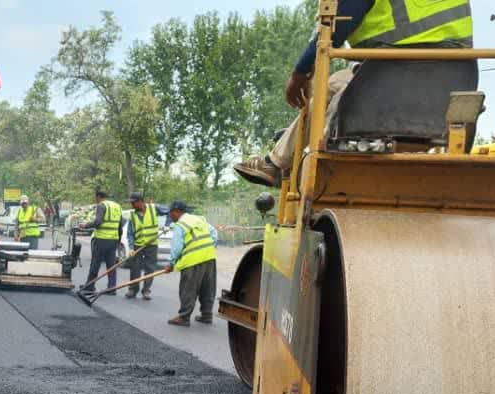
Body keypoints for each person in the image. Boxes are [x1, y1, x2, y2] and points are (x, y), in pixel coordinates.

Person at [233, 0, 473, 187]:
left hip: (395, 76)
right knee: (335, 83)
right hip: (454, 80)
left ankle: (304, 163)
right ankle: (276, 162)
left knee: (340, 99)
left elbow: (338, 24)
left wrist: (300, 73)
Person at [165, 201, 217, 327]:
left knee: (188, 289)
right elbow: (214, 234)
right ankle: (207, 315)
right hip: (210, 257)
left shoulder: (180, 224)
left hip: (193, 261)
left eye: (170, 213)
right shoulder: (199, 219)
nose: (170, 216)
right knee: (207, 288)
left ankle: (184, 317)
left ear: (176, 212)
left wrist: (171, 263)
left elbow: (176, 247)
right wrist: (208, 248)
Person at [79, 189, 123, 295]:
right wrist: (118, 239)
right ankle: (112, 288)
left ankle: (90, 286)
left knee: (95, 262)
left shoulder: (101, 205)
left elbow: (98, 222)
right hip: (113, 240)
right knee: (111, 264)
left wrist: (85, 225)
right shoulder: (117, 206)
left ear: (98, 197)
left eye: (95, 198)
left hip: (102, 239)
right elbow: (120, 225)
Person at [125, 192, 159, 300]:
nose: (132, 205)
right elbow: (130, 233)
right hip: (138, 245)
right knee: (135, 268)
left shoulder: (154, 209)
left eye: (133, 203)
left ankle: (146, 291)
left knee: (150, 268)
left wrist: (170, 223)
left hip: (151, 244)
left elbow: (169, 212)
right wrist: (131, 248)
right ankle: (132, 290)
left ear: (140, 202)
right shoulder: (132, 215)